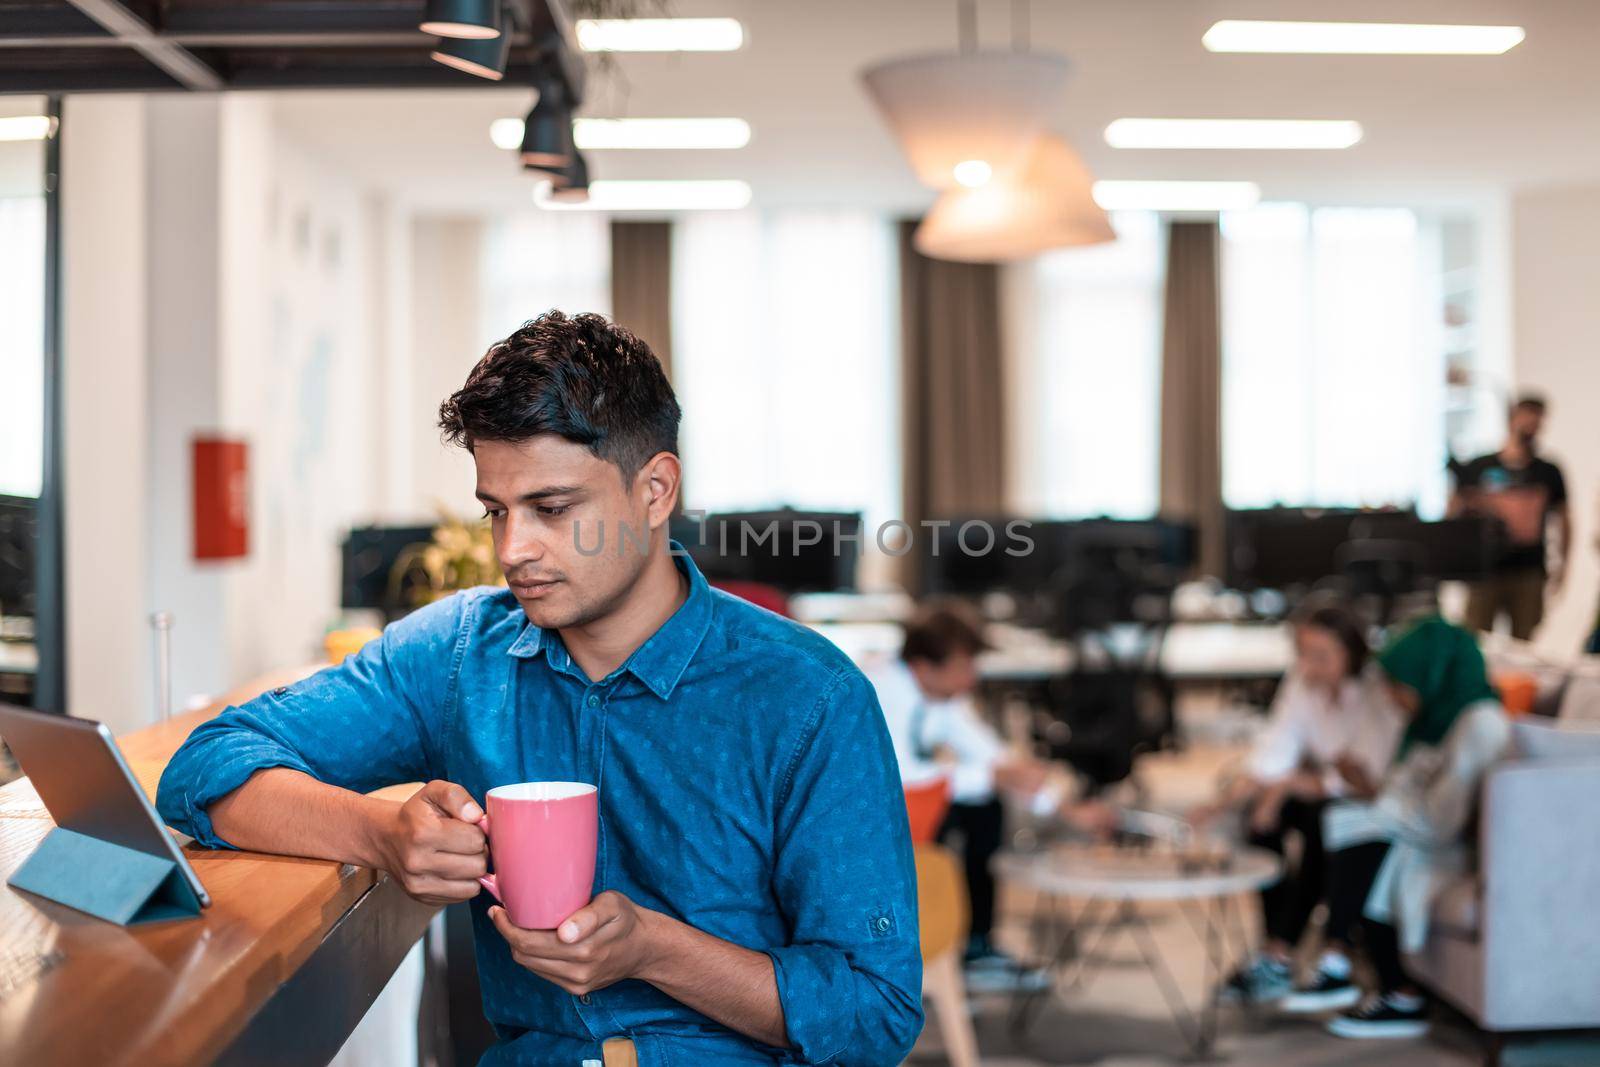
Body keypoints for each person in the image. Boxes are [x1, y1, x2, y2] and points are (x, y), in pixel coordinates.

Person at [155, 312, 923, 1066]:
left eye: (552, 509)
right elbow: (205, 765)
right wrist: (379, 834)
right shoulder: (458, 653)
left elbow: (877, 1013)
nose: (512, 550)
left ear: (655, 490)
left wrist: (655, 948)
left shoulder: (809, 696)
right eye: (496, 511)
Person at [866, 601, 1116, 991]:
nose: (972, 678)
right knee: (979, 801)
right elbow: (900, 779)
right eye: (964, 666)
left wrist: (1066, 809)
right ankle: (955, 944)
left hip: (912, 805)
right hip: (871, 818)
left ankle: (978, 945)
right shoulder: (880, 690)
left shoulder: (939, 696)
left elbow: (992, 757)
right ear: (924, 667)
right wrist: (997, 775)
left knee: (985, 803)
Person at [1279, 617, 1509, 1039]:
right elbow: (1407, 789)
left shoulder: (1480, 723)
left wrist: (1382, 807)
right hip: (1423, 833)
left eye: (1398, 684)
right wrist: (1377, 796)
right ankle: (1364, 973)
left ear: (1429, 674)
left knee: (1362, 835)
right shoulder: (1437, 717)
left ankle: (1352, 965)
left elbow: (1442, 819)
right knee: (1348, 823)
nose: (1391, 695)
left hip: (1452, 847)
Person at [1202, 602, 1401, 1006]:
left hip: (1367, 802)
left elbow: (1368, 780)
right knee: (1260, 822)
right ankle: (1275, 946)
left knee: (1319, 822)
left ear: (1351, 653)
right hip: (1323, 792)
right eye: (1304, 654)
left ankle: (1288, 950)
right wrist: (1220, 805)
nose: (1309, 665)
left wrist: (1291, 784)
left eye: (1322, 656)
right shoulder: (1302, 684)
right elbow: (1273, 754)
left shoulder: (1375, 691)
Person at [1451, 393, 1570, 640]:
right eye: (1526, 417)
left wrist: (1563, 568)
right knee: (1475, 638)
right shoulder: (1480, 467)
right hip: (1485, 570)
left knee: (1524, 644)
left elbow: (1565, 520)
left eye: (1537, 419)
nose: (1531, 425)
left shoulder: (1548, 472)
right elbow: (1454, 513)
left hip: (1529, 570)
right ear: (1512, 418)